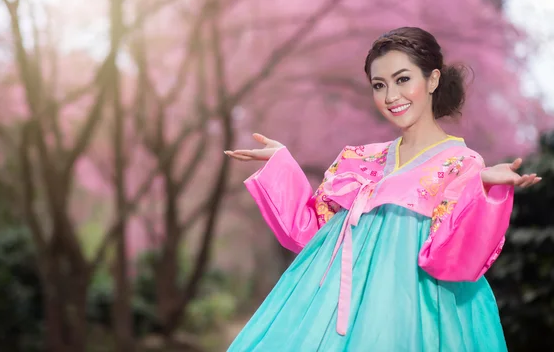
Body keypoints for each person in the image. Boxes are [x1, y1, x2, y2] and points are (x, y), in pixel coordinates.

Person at [223, 27, 541, 351]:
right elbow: (312, 232)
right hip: (332, 308)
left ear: (432, 80)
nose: (391, 97)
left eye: (403, 79)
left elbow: (452, 255)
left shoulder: (461, 163)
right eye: (379, 85)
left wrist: (485, 188)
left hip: (421, 309)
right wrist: (281, 165)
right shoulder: (357, 159)